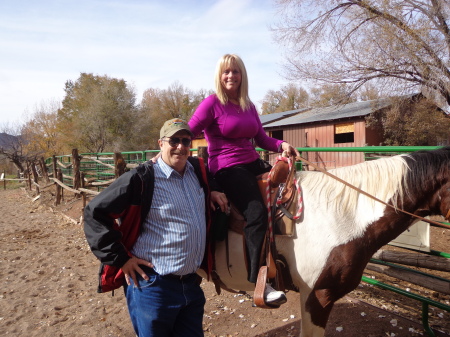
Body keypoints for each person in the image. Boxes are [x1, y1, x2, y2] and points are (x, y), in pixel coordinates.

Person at [83, 118, 228, 337]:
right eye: (174, 140)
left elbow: (214, 179)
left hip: (190, 285)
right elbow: (95, 212)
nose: (180, 146)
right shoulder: (141, 178)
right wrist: (121, 259)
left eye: (186, 141)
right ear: (161, 143)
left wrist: (214, 190)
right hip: (154, 287)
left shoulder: (197, 171)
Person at [188, 53, 300, 306]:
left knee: (292, 191)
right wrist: (169, 144)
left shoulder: (248, 105)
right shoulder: (211, 104)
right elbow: (188, 129)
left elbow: (261, 139)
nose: (231, 76)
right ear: (219, 75)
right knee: (257, 213)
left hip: (252, 162)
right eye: (226, 72)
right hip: (227, 167)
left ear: (242, 75)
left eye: (235, 71)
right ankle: (257, 281)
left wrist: (281, 144)